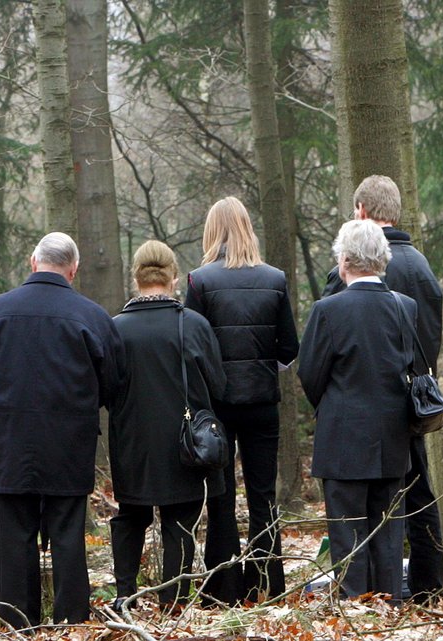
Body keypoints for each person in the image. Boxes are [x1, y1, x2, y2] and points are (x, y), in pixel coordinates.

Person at [0, 232, 126, 629]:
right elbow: (113, 383)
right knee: (68, 538)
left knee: (15, 540)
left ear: (32, 261)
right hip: (69, 444)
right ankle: (72, 623)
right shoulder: (93, 316)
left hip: (8, 442)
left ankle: (19, 624)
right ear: (73, 269)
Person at [322, 175, 443, 602]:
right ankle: (426, 587)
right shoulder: (423, 268)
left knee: (360, 510)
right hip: (411, 404)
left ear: (361, 211)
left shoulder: (349, 271)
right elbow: (428, 339)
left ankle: (362, 599)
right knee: (414, 497)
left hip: (356, 413)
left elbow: (324, 356)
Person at [185, 197, 299, 604]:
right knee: (263, 494)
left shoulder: (199, 281)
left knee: (221, 495)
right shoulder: (275, 278)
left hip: (216, 405)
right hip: (262, 403)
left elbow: (190, 346)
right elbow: (289, 347)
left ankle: (223, 588)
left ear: (212, 230)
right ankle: (267, 584)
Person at [298, 219, 416, 602]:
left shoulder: (328, 310)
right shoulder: (405, 308)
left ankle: (354, 606)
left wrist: (334, 407)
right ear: (382, 259)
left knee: (347, 530)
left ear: (344, 260)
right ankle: (389, 604)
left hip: (343, 436)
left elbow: (310, 374)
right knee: (388, 530)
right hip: (394, 436)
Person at [108, 240, 226, 611]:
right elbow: (218, 386)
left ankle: (125, 595)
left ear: (136, 278)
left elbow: (104, 389)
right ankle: (173, 601)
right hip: (183, 443)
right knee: (180, 520)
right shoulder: (193, 325)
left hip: (132, 440)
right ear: (174, 277)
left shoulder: (115, 329)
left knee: (130, 517)